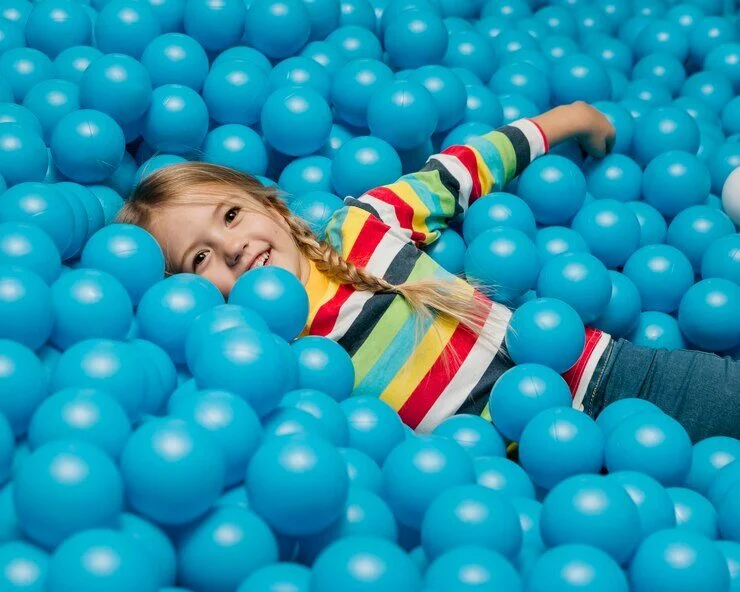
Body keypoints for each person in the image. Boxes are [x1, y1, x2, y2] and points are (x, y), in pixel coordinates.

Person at [119, 101, 740, 442]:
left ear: (270, 205)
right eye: (197, 258)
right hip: (506, 477)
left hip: (602, 376)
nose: (229, 248)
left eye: (230, 215)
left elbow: (458, 174)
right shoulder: (263, 360)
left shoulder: (359, 227)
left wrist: (563, 121)